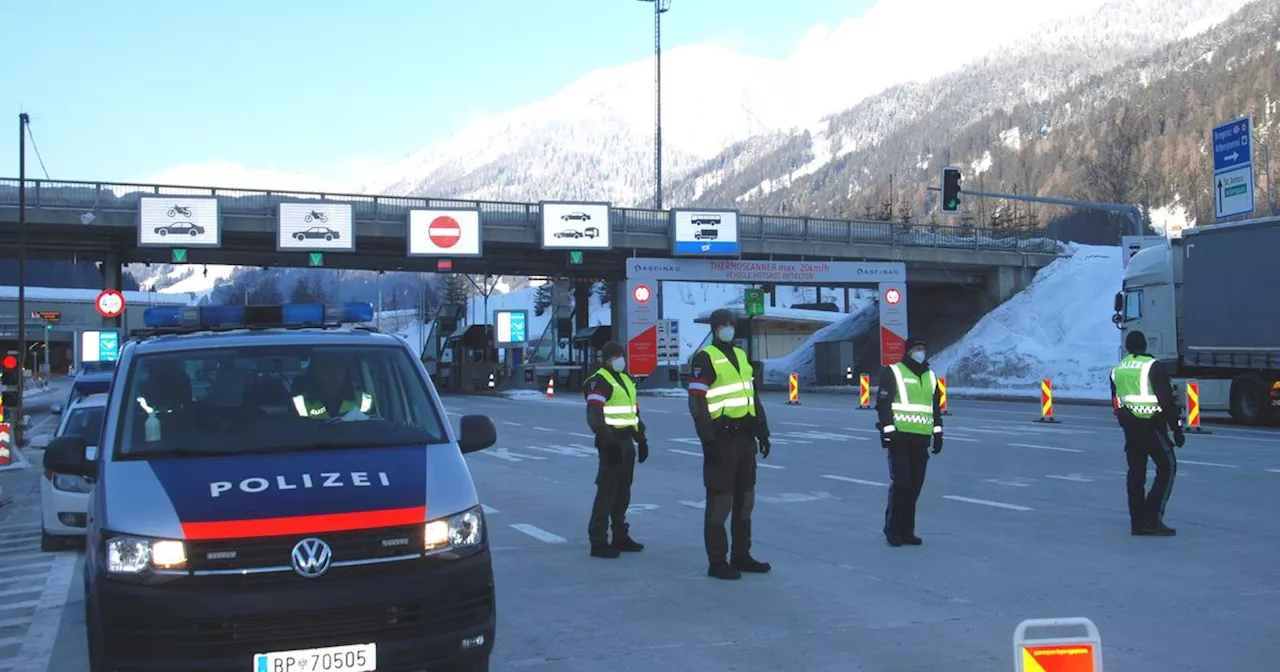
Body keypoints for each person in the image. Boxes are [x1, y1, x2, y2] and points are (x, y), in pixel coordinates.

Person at [686, 309, 772, 580]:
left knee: (746, 500)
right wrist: (708, 440)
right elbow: (697, 403)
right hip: (722, 440)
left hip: (745, 438)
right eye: (723, 325)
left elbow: (751, 396)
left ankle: (741, 555)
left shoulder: (741, 357)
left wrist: (762, 431)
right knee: (721, 501)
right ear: (714, 328)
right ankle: (717, 560)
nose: (728, 329)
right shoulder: (704, 358)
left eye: (731, 324)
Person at [1111, 330, 1184, 536]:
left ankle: (1137, 522)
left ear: (1127, 347)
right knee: (1168, 466)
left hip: (1131, 430)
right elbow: (1166, 401)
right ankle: (1152, 518)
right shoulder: (1153, 367)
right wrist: (1176, 429)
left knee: (1136, 475)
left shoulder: (1119, 369)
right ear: (1145, 346)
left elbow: (1116, 401)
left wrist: (1124, 421)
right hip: (1152, 427)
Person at [875, 336, 943, 547]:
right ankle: (893, 530)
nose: (920, 351)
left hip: (921, 439)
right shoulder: (894, 372)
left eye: (923, 347)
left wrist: (938, 433)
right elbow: (883, 404)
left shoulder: (931, 377)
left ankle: (907, 531)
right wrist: (889, 430)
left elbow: (935, 408)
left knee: (915, 486)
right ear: (908, 351)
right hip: (900, 439)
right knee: (902, 484)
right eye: (916, 348)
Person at [583, 341, 649, 559]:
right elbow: (595, 415)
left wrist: (641, 438)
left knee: (623, 491)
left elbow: (633, 413)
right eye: (615, 356)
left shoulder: (626, 381)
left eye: (622, 355)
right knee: (607, 491)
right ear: (607, 359)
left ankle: (620, 535)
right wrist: (606, 440)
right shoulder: (599, 381)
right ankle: (598, 540)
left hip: (626, 441)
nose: (620, 360)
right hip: (611, 442)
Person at [292, 354, 374, 420]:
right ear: (315, 374)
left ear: (345, 374)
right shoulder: (299, 404)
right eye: (326, 371)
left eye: (337, 371)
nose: (332, 377)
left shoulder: (365, 401)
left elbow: (376, 431)